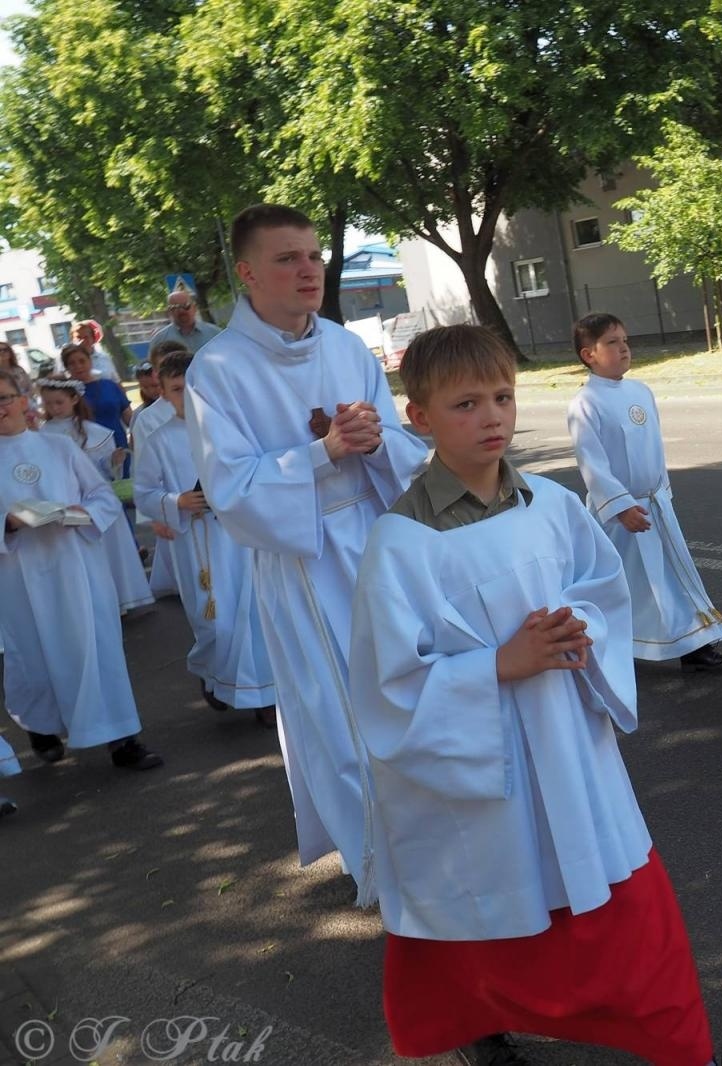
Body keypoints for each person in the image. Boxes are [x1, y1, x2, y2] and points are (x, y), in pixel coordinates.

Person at [351, 325, 722, 1066]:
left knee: (632, 910)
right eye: (464, 404)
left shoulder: (550, 505)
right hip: (487, 771)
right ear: (417, 417)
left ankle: (684, 1048)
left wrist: (577, 625)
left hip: (573, 750)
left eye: (502, 397)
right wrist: (495, 665)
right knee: (488, 911)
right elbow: (388, 692)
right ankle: (477, 1026)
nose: (491, 417)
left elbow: (601, 590)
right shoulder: (400, 545)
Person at [185, 203, 427, 880]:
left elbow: (406, 451)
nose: (308, 270)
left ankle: (431, 836)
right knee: (339, 711)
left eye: (314, 255)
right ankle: (382, 865)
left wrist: (377, 443)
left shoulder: (347, 346)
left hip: (376, 544)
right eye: (288, 258)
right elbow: (230, 490)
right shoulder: (218, 371)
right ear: (247, 273)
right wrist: (322, 452)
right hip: (303, 560)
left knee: (408, 690)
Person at [0, 375, 163, 773]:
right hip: (19, 577)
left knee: (96, 650)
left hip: (76, 568)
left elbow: (101, 494)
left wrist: (82, 514)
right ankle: (42, 726)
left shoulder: (59, 447)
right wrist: (9, 523)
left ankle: (122, 739)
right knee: (34, 657)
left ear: (23, 401)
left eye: (4, 398)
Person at [566, 313, 722, 672]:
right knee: (625, 587)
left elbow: (653, 447)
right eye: (611, 342)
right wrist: (620, 507)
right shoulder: (585, 403)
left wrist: (662, 493)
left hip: (654, 507)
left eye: (625, 339)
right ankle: (605, 646)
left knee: (671, 579)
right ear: (588, 354)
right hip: (622, 517)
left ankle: (695, 647)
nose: (623, 347)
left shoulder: (640, 391)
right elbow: (592, 463)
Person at [135, 353, 277, 726]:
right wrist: (176, 501)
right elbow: (144, 491)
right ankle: (212, 673)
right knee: (214, 621)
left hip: (239, 536)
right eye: (178, 389)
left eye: (193, 386)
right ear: (164, 394)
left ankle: (263, 695)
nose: (188, 395)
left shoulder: (230, 428)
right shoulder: (159, 441)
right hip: (197, 544)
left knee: (253, 614)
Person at [37, 378, 153, 614]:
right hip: (67, 501)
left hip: (95, 502)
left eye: (59, 402)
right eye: (48, 404)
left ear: (74, 399)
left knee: (109, 552)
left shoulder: (95, 432)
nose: (54, 408)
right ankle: (91, 602)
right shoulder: (42, 435)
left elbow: (106, 473)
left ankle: (117, 599)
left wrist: (114, 462)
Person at [133, 339, 193, 600]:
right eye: (177, 388)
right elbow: (144, 480)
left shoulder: (226, 424)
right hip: (188, 524)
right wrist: (163, 511)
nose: (186, 394)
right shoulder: (155, 429)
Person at [60, 344, 131, 453]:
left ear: (90, 361)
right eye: (72, 363)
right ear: (67, 367)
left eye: (82, 361)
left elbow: (128, 416)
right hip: (88, 450)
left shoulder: (109, 385)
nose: (78, 366)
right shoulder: (66, 394)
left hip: (118, 444)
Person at [147, 290, 224, 354]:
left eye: (186, 306)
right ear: (169, 311)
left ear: (194, 308)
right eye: (175, 307)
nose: (181, 310)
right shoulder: (160, 339)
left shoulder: (215, 334)